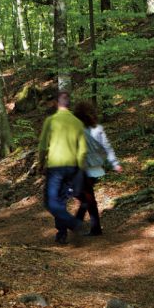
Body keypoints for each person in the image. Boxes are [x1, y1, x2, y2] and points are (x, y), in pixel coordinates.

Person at [37, 91, 90, 244]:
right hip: (73, 167)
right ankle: (61, 234)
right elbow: (83, 149)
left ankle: (74, 224)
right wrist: (80, 169)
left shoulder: (51, 121)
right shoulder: (77, 123)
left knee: (51, 203)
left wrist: (41, 163)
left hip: (56, 166)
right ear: (69, 104)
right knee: (60, 200)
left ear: (56, 103)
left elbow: (42, 146)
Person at [72, 101, 122, 235]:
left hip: (84, 167)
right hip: (97, 167)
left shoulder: (78, 130)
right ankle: (82, 223)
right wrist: (114, 163)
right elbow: (107, 147)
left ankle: (89, 226)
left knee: (84, 196)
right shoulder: (98, 128)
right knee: (86, 196)